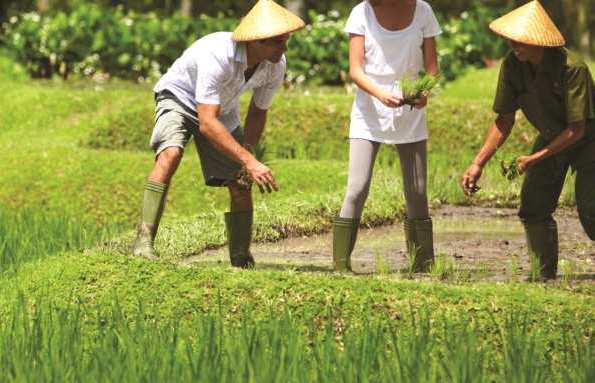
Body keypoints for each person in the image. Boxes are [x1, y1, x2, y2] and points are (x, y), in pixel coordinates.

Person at [459, 1, 595, 282]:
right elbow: (504, 120)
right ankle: (544, 279)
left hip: (588, 136)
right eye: (510, 39)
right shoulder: (512, 65)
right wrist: (477, 163)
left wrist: (534, 159)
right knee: (533, 207)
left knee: (591, 213)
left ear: (539, 42)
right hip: (554, 134)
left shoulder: (572, 68)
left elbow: (576, 130)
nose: (513, 45)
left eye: (520, 40)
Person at [130, 0, 305, 268]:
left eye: (287, 40)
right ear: (257, 41)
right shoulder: (217, 54)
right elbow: (207, 124)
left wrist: (247, 152)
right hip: (179, 98)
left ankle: (241, 258)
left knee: (240, 182)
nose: (285, 49)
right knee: (171, 155)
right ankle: (143, 243)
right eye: (279, 42)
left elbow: (258, 112)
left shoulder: (275, 64)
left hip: (221, 108)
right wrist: (249, 160)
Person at [333, 0, 441, 272]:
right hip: (369, 109)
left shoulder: (423, 11)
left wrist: (423, 93)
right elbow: (356, 69)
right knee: (357, 187)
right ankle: (340, 266)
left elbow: (431, 67)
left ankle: (423, 266)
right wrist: (380, 94)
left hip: (409, 106)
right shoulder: (361, 12)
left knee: (417, 190)